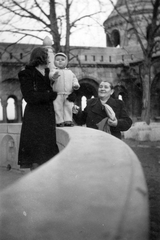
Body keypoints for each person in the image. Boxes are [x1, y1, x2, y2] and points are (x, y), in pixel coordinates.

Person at [18, 47, 59, 171]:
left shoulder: (49, 73)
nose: (50, 58)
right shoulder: (26, 73)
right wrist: (50, 95)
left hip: (48, 117)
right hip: (34, 118)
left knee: (48, 153)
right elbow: (29, 97)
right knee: (36, 155)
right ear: (41, 56)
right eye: (48, 55)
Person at [49, 52, 80, 127]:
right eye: (57, 59)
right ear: (54, 61)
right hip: (57, 93)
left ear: (66, 62)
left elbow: (74, 79)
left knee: (68, 107)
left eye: (62, 60)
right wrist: (54, 76)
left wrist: (75, 85)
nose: (60, 61)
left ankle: (68, 120)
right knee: (57, 107)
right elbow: (50, 76)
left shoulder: (70, 72)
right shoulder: (54, 70)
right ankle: (59, 121)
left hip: (68, 94)